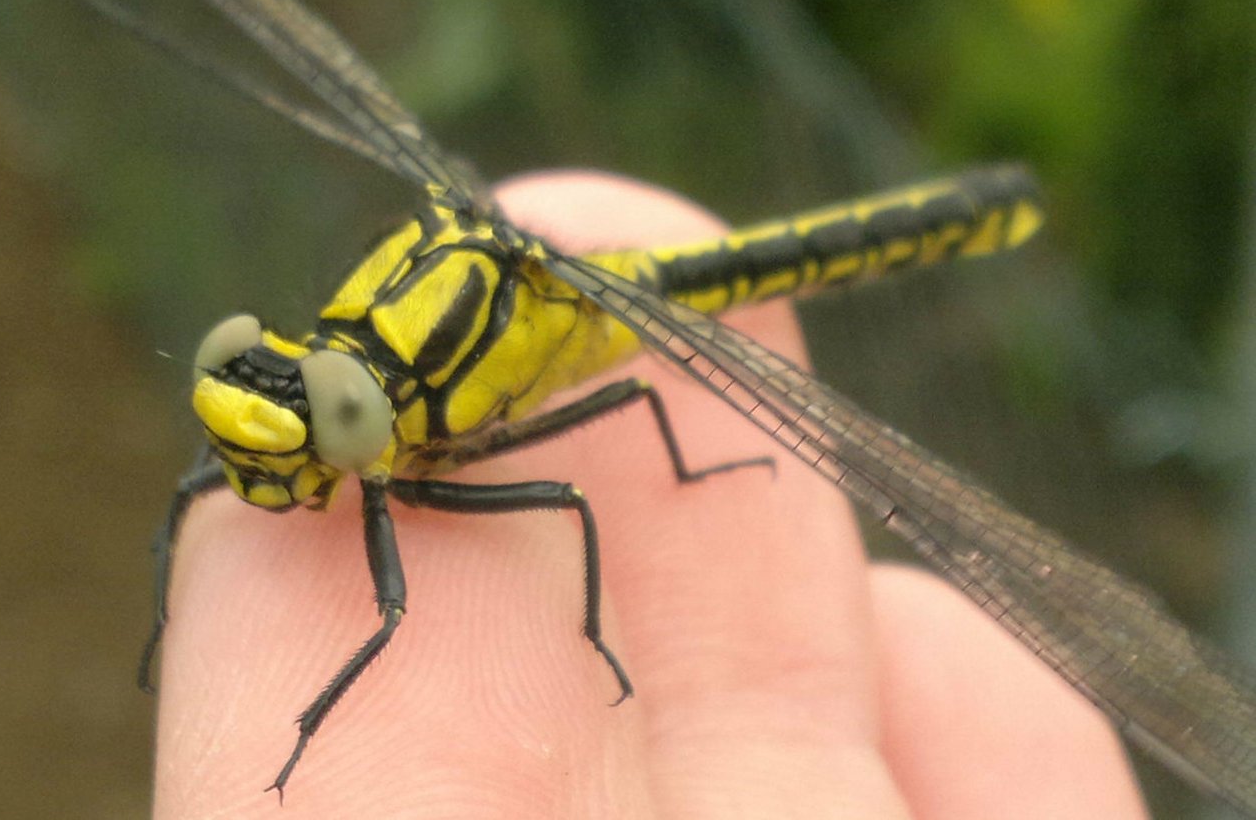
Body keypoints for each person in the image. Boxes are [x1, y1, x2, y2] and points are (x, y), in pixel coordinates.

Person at [152, 173, 1148, 818]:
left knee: (577, 471)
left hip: (597, 293)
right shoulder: (344, 396)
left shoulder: (385, 424)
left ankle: (989, 213)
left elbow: (566, 505)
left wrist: (298, 748)